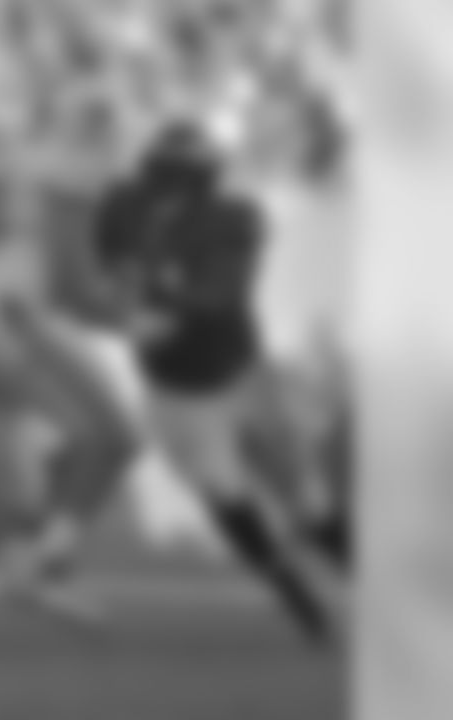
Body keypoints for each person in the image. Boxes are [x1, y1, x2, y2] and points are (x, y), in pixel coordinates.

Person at [93, 119, 341, 642]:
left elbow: (220, 292)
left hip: (242, 372)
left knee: (308, 502)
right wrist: (125, 306)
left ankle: (378, 587)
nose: (170, 186)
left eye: (180, 175)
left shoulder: (233, 215)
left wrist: (163, 308)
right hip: (178, 388)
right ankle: (289, 586)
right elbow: (107, 274)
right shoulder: (122, 207)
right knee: (227, 494)